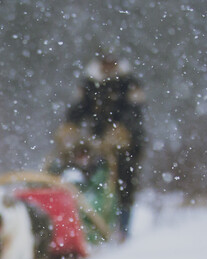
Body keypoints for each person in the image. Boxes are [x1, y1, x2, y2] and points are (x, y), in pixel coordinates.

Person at [54, 51, 145, 238]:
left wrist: (123, 131)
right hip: (99, 141)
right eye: (105, 61)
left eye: (112, 62)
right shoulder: (90, 83)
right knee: (87, 173)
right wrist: (70, 126)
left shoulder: (129, 84)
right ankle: (85, 219)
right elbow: (78, 109)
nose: (108, 65)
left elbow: (135, 113)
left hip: (127, 143)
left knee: (124, 179)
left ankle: (122, 227)